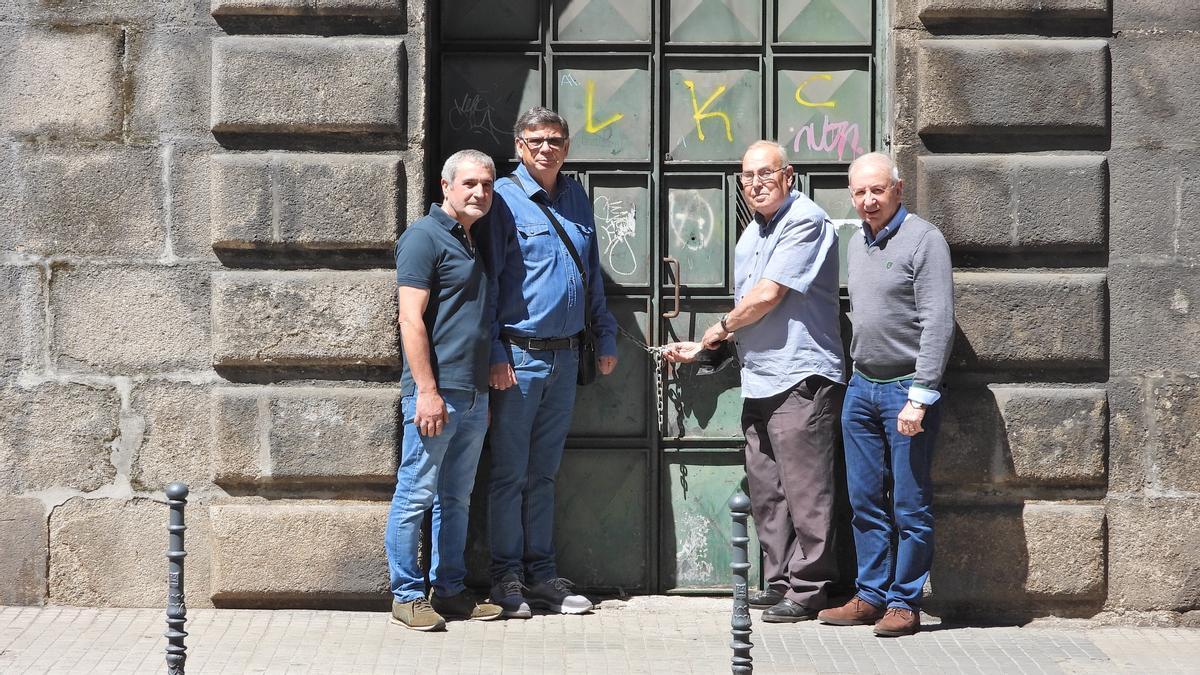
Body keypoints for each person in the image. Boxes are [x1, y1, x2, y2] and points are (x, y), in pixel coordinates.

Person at [665, 140, 845, 623]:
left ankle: (810, 589)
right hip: (760, 377)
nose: (756, 183)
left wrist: (719, 328)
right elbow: (749, 314)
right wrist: (707, 348)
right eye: (747, 176)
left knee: (806, 489)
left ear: (789, 175)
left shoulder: (805, 220)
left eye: (766, 174)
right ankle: (782, 579)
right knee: (767, 488)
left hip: (800, 377)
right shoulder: (750, 238)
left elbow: (767, 297)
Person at [478, 106, 618, 617]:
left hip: (564, 359)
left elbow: (591, 273)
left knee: (544, 475)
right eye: (535, 140)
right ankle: (505, 578)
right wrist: (495, 352)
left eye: (555, 140)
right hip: (518, 358)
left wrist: (604, 335)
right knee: (510, 474)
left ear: (566, 146)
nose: (545, 148)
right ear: (519, 146)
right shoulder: (503, 201)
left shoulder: (576, 196)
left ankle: (542, 575)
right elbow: (488, 282)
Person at [816, 152, 954, 637]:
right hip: (863, 386)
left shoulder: (925, 240)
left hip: (905, 389)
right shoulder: (858, 243)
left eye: (877, 190)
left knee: (909, 505)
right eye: (859, 192)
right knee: (865, 500)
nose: (868, 200)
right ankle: (871, 594)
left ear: (899, 189)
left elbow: (938, 323)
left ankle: (905, 601)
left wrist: (920, 396)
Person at [384, 149, 502, 631]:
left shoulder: (473, 239)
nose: (479, 193)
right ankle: (406, 596)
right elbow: (410, 319)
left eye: (487, 185)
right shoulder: (423, 237)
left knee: (456, 497)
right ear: (446, 187)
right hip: (437, 393)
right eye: (470, 184)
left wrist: (481, 394)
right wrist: (428, 392)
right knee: (415, 494)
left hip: (472, 393)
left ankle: (450, 590)